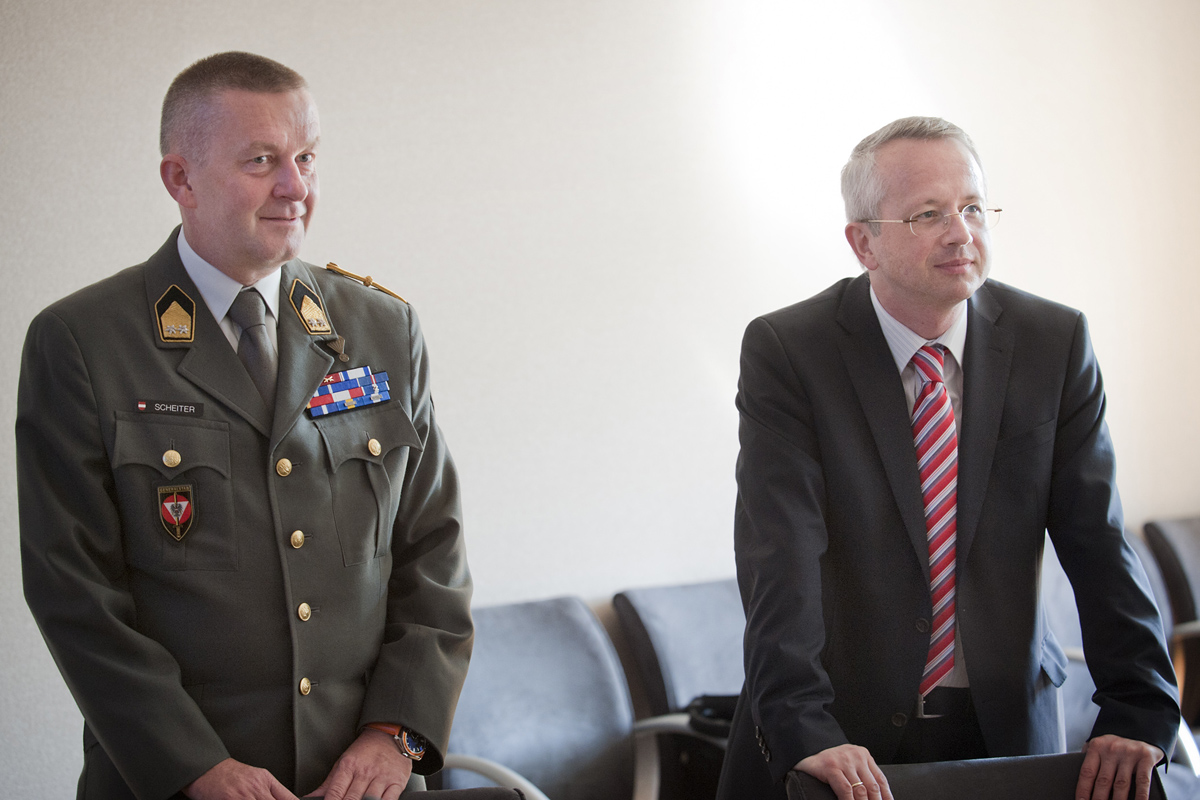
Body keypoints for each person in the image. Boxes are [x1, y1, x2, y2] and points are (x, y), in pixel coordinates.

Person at [17, 51, 472, 800]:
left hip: (366, 782)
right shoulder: (84, 342)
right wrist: (195, 767)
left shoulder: (383, 328)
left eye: (306, 158)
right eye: (262, 160)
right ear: (181, 179)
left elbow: (434, 551)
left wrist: (396, 734)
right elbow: (75, 591)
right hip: (171, 782)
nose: (296, 187)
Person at [716, 117, 1179, 800]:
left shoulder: (1053, 343)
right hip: (839, 734)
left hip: (1005, 723)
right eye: (927, 214)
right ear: (863, 242)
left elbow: (1099, 542)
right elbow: (779, 557)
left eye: (972, 207)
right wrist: (803, 724)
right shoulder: (792, 352)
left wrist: (1139, 707)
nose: (961, 233)